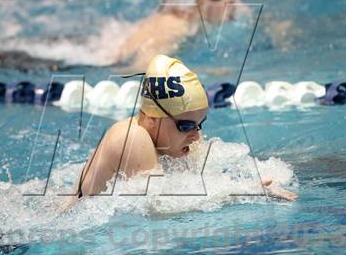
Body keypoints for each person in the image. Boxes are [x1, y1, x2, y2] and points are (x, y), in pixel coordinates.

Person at [61, 55, 297, 212]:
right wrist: (244, 190)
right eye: (185, 126)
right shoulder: (132, 138)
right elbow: (161, 205)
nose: (195, 135)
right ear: (153, 119)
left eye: (199, 124)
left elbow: (203, 175)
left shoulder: (172, 138)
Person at [115, 0, 240, 71]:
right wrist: (206, 71)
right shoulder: (173, 28)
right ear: (191, 1)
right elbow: (141, 69)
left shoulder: (191, 18)